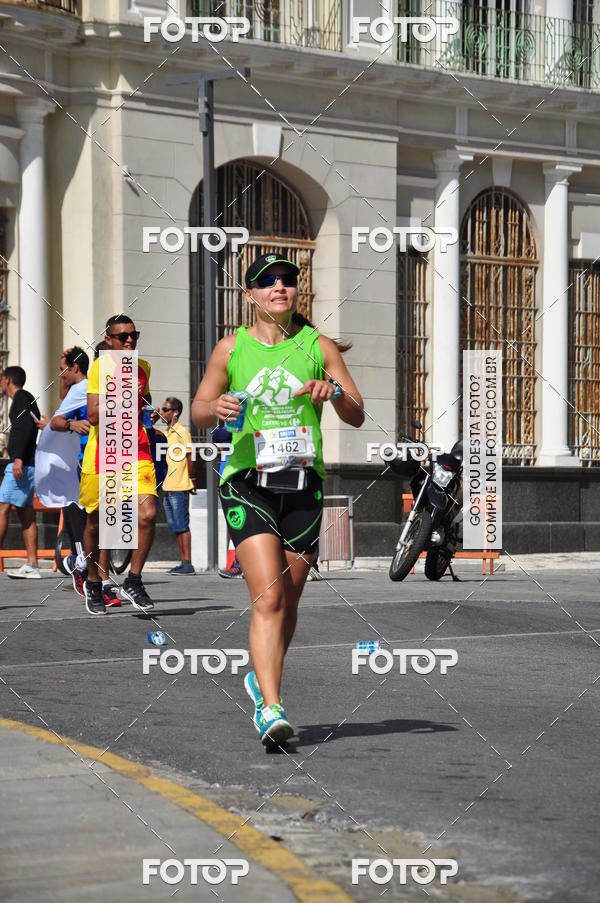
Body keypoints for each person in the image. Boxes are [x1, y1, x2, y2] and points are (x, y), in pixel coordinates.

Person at [192, 252, 364, 747]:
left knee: (286, 604)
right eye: (267, 282)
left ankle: (259, 678)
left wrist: (330, 392)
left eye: (288, 280)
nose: (280, 288)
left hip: (302, 483)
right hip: (247, 479)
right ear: (250, 296)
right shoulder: (231, 348)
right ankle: (270, 707)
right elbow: (201, 409)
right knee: (267, 597)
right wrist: (216, 407)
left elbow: (355, 413)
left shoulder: (319, 345)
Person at [79, 315, 158, 615]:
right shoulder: (101, 368)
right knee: (97, 522)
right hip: (104, 454)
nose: (129, 341)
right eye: (122, 336)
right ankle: (92, 581)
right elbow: (94, 415)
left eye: (133, 335)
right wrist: (123, 394)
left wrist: (149, 415)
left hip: (137, 452)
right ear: (109, 340)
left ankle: (134, 580)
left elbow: (146, 399)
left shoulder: (144, 368)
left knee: (148, 514)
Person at [36, 347, 120, 608]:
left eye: (63, 368)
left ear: (74, 367)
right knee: (94, 524)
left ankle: (87, 569)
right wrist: (71, 424)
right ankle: (91, 573)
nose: (60, 373)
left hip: (102, 462)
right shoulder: (81, 389)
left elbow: (60, 419)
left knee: (103, 525)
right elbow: (61, 417)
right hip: (82, 465)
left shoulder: (90, 387)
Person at [0, 366, 41, 578]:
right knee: (26, 514)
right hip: (27, 463)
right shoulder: (25, 398)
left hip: (21, 464)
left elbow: (25, 426)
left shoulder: (22, 397)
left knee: (2, 507)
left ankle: (32, 564)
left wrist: (17, 458)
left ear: (8, 380)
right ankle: (32, 565)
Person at [152, 397, 195, 575]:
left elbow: (189, 456)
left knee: (182, 525)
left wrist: (192, 478)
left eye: (165, 409)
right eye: (162, 409)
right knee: (176, 526)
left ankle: (187, 563)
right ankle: (183, 562)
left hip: (179, 485)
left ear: (175, 412)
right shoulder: (167, 433)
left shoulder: (181, 432)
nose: (162, 412)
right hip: (168, 486)